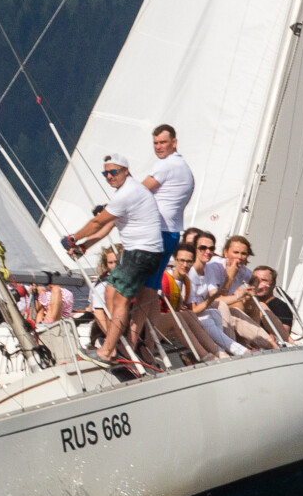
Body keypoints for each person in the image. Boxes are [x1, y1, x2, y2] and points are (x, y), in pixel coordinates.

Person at [64, 153, 164, 362]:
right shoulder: (128, 193)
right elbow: (104, 230)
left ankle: (110, 350)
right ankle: (118, 344)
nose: (109, 176)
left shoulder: (127, 192)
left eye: (113, 172)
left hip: (140, 254)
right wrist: (83, 247)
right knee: (111, 292)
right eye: (106, 173)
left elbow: (97, 222)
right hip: (142, 254)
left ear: (126, 171)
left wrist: (72, 238)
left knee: (120, 299)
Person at [141, 124, 195, 283]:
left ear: (174, 142)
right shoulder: (183, 165)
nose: (158, 147)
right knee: (151, 286)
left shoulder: (166, 164)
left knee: (142, 285)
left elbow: (138, 192)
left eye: (163, 142)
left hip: (158, 233)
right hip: (171, 233)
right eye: (155, 143)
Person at [152, 243, 223, 362]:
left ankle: (217, 351)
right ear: (175, 260)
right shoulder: (162, 280)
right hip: (154, 328)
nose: (185, 265)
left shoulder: (186, 282)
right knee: (178, 317)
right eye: (181, 261)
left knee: (190, 315)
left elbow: (192, 310)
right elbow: (153, 312)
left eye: (189, 261)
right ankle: (205, 356)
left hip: (171, 327)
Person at [186, 232, 248, 356]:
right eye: (203, 248)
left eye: (211, 248)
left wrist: (230, 279)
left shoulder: (207, 269)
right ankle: (241, 352)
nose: (207, 251)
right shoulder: (191, 272)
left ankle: (221, 351)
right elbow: (193, 310)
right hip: (189, 315)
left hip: (202, 311)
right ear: (195, 249)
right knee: (208, 319)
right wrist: (232, 295)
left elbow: (217, 295)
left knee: (215, 312)